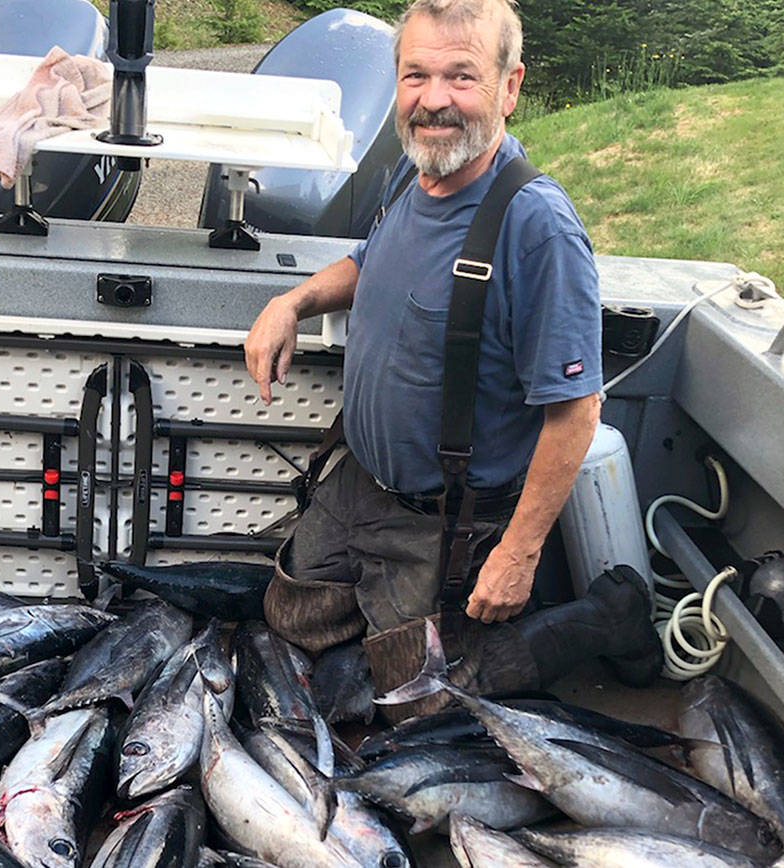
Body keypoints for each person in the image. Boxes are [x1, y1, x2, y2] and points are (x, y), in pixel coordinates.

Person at [244, 0, 661, 718]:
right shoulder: (420, 168)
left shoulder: (537, 228)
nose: (434, 100)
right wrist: (294, 302)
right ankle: (411, 622)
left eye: (461, 77)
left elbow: (576, 412)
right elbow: (370, 263)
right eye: (416, 75)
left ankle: (602, 619)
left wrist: (518, 555)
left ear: (510, 86)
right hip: (361, 483)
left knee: (414, 705)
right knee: (289, 617)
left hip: (449, 519)